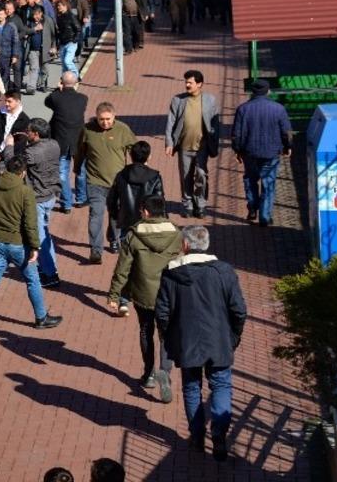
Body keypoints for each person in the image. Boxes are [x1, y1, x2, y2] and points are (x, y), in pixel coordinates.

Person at [155, 225, 247, 461]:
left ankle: (197, 436)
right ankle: (219, 433)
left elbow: (162, 312)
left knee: (191, 386)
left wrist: (170, 338)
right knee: (221, 385)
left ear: (185, 245)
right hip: (219, 340)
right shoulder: (224, 272)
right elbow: (238, 310)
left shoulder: (170, 273)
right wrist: (233, 336)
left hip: (186, 342)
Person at [0, 155, 62, 337]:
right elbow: (30, 223)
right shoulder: (25, 192)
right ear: (22, 172)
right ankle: (41, 318)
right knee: (32, 280)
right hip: (19, 246)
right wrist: (34, 247)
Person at [108, 195, 182, 402]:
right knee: (165, 335)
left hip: (143, 294)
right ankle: (164, 373)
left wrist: (114, 293)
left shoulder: (134, 235)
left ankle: (149, 373)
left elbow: (123, 267)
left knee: (145, 331)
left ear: (146, 212)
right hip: (169, 294)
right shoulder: (176, 234)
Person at [77, 102, 136, 264]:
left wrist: (137, 168)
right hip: (95, 182)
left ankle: (114, 238)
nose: (105, 122)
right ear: (96, 117)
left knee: (116, 214)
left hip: (117, 183)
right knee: (95, 215)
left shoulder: (123, 129)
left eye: (108, 119)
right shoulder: (87, 129)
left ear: (114, 116)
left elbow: (134, 148)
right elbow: (80, 151)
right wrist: (77, 169)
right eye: (101, 119)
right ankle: (96, 251)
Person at [231, 79, 292, 226]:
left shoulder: (243, 109)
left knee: (250, 180)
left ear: (253, 91)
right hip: (271, 153)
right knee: (268, 183)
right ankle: (265, 216)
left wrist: (237, 150)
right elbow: (286, 132)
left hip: (249, 152)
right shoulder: (278, 109)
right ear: (268, 91)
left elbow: (236, 134)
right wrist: (287, 146)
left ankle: (252, 207)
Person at [164, 69, 220, 219]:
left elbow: (215, 123)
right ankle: (187, 204)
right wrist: (169, 143)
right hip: (184, 147)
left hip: (202, 147)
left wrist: (214, 142)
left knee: (201, 175)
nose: (187, 85)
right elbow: (171, 122)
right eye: (186, 82)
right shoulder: (178, 100)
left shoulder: (210, 100)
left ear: (199, 84)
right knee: (186, 177)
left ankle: (200, 204)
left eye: (190, 82)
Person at [107, 140, 165, 254]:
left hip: (126, 219)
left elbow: (112, 199)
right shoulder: (154, 177)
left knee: (127, 253)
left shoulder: (121, 174)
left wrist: (115, 215)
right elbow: (159, 201)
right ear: (149, 157)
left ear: (131, 156)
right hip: (147, 221)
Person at [24, 119, 62, 287]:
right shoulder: (54, 145)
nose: (26, 133)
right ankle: (50, 266)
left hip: (37, 198)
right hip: (50, 195)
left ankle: (50, 274)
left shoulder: (32, 153)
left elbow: (15, 163)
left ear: (36, 134)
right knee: (45, 232)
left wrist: (10, 146)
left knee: (39, 237)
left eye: (28, 132)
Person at [45, 70, 88, 214]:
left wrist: (58, 88)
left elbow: (47, 102)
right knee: (81, 171)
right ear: (76, 84)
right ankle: (81, 198)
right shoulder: (83, 98)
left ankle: (66, 203)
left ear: (62, 82)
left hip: (61, 142)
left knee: (62, 174)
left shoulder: (56, 97)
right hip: (78, 142)